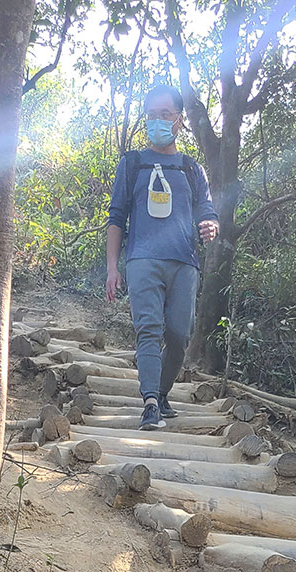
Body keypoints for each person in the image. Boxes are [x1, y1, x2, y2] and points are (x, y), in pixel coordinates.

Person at [105, 85, 219, 430]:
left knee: (178, 334)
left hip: (184, 262)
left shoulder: (190, 168)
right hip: (142, 259)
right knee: (149, 329)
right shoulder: (132, 164)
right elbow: (116, 217)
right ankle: (150, 402)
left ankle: (163, 393)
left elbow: (207, 210)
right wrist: (112, 267)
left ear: (179, 120)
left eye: (165, 114)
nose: (157, 121)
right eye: (151, 115)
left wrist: (210, 225)